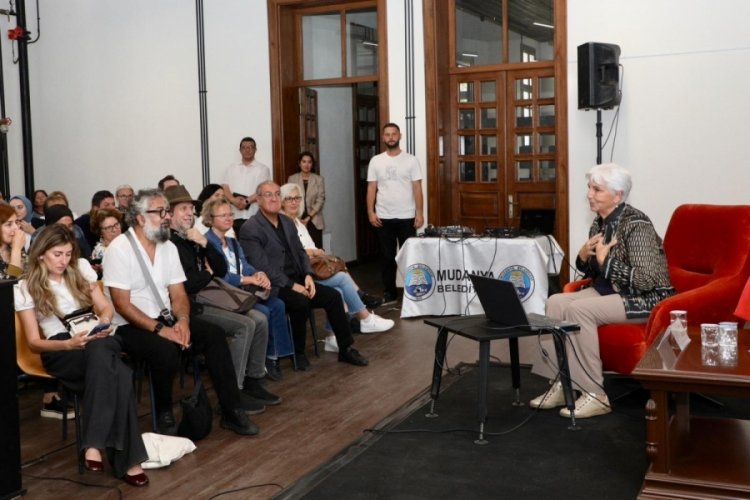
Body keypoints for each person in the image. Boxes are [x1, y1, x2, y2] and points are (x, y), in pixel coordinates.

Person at [103, 188, 260, 436]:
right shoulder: (119, 249)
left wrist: (184, 320)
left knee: (214, 335)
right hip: (128, 325)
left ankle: (232, 410)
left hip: (165, 316)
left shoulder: (168, 247)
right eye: (160, 212)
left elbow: (178, 294)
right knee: (164, 349)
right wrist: (160, 329)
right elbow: (122, 304)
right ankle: (164, 412)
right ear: (141, 218)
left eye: (167, 211)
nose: (167, 217)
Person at [529, 163, 675, 419]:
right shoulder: (599, 223)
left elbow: (647, 279)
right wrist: (583, 256)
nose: (589, 194)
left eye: (597, 190)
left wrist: (606, 261)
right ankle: (562, 383)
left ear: (618, 195)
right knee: (555, 302)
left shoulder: (637, 225)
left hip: (644, 298)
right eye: (589, 188)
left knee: (579, 310)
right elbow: (593, 271)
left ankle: (595, 394)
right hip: (609, 292)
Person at [14, 225, 149, 486]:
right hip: (61, 348)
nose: (64, 260)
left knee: (100, 349)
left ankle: (94, 443)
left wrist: (104, 323)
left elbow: (105, 308)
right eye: (57, 254)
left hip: (98, 337)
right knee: (121, 375)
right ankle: (129, 462)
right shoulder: (25, 287)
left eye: (68, 254)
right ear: (41, 254)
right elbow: (33, 343)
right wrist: (69, 345)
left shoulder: (81, 269)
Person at [164, 185, 280, 407]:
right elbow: (188, 283)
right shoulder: (170, 244)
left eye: (190, 209)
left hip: (208, 294)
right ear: (169, 213)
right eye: (183, 209)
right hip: (190, 305)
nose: (189, 213)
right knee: (245, 325)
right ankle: (234, 391)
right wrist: (207, 274)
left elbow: (219, 268)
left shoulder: (192, 237)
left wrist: (205, 244)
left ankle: (253, 380)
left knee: (261, 319)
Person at [240, 181, 369, 370]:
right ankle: (298, 353)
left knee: (333, 296)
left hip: (298, 278)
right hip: (274, 285)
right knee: (300, 302)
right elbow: (262, 266)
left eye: (277, 194)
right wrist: (293, 286)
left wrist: (308, 275)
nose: (274, 198)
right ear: (258, 200)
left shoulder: (287, 221)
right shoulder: (250, 227)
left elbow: (300, 252)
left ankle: (346, 348)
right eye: (268, 195)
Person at [279, 182, 392, 352]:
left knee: (338, 289)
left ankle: (332, 338)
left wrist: (318, 252)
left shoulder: (299, 223)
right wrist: (313, 252)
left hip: (313, 270)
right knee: (342, 278)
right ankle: (364, 317)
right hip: (300, 277)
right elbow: (291, 253)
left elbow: (307, 250)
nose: (294, 202)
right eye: (289, 199)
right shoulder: (282, 224)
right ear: (281, 201)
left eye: (297, 198)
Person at [202, 195, 293, 380]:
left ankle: (272, 357)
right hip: (224, 294)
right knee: (263, 311)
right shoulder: (206, 243)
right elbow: (219, 277)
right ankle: (255, 364)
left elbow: (245, 265)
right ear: (210, 219)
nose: (229, 218)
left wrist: (258, 274)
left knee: (278, 304)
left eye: (230, 214)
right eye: (223, 215)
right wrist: (248, 279)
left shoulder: (233, 242)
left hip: (241, 291)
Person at [366, 122, 424, 304]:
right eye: (387, 134)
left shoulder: (411, 160)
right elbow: (371, 188)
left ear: (400, 136)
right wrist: (370, 212)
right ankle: (390, 293)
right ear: (383, 137)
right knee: (387, 257)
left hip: (407, 217)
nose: (391, 137)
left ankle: (412, 292)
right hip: (383, 217)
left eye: (394, 134)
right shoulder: (376, 161)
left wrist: (419, 213)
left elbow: (417, 188)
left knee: (409, 256)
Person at [222, 137, 271, 234]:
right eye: (244, 147)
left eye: (250, 147)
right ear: (240, 150)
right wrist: (233, 200)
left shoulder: (263, 169)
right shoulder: (231, 168)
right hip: (233, 215)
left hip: (254, 214)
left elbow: (263, 189)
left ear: (255, 150)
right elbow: (225, 187)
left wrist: (247, 201)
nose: (247, 150)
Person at [287, 151, 325, 249]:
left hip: (314, 219)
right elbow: (289, 198)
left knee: (316, 250)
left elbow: (320, 199)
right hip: (297, 218)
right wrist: (296, 217)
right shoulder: (292, 179)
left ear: (312, 164)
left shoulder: (319, 179)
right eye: (304, 161)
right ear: (299, 163)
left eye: (309, 162)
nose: (306, 165)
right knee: (299, 249)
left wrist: (309, 217)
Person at [89, 208, 123, 276]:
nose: (115, 230)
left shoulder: (128, 243)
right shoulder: (99, 252)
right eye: (109, 227)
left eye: (116, 224)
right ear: (100, 232)